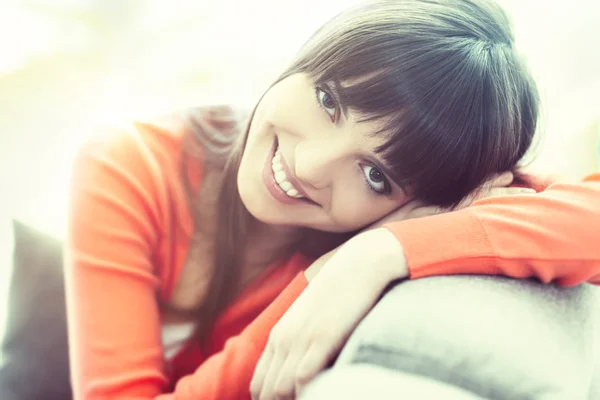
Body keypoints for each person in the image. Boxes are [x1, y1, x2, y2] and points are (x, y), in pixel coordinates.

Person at [64, 0, 600, 399]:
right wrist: (319, 285)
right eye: (329, 100)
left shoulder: (368, 233)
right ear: (314, 50)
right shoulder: (130, 165)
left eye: (374, 175)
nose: (310, 166)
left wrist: (381, 252)